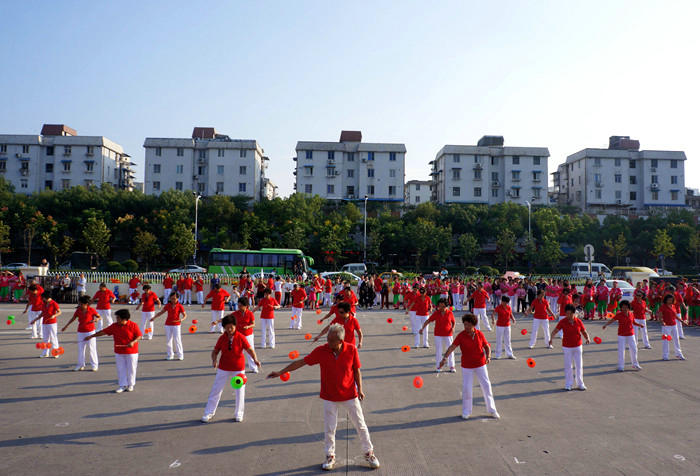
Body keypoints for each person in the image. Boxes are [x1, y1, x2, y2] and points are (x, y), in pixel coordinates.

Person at [267, 324, 380, 471]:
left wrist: (360, 389)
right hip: (329, 396)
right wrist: (281, 372)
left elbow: (356, 370)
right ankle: (330, 455)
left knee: (360, 425)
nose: (328, 342)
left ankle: (369, 453)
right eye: (327, 339)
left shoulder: (351, 349)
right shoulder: (321, 351)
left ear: (340, 341)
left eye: (331, 340)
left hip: (349, 394)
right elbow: (301, 362)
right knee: (329, 428)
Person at [201, 314, 262, 423]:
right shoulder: (222, 338)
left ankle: (239, 413)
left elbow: (249, 349)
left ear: (235, 326)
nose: (229, 329)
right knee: (216, 390)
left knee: (240, 391)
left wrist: (255, 359)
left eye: (231, 327)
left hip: (238, 368)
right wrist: (214, 360)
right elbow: (215, 351)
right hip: (223, 367)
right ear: (224, 327)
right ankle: (209, 412)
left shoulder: (241, 337)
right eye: (227, 327)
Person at [439, 313, 500, 420]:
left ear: (473, 324)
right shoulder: (461, 335)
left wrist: (488, 357)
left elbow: (487, 346)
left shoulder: (479, 334)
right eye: (465, 324)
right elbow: (452, 347)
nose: (466, 327)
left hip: (480, 364)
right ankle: (466, 411)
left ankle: (492, 410)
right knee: (467, 389)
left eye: (468, 324)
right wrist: (444, 358)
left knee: (486, 386)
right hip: (467, 366)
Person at [85, 309, 141, 393]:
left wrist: (133, 342)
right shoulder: (114, 326)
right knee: (120, 369)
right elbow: (104, 332)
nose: (116, 319)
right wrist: (92, 336)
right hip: (119, 351)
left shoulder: (133, 325)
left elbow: (139, 336)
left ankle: (131, 385)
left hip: (131, 352)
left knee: (131, 369)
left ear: (124, 319)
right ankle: (122, 385)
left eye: (118, 318)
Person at [549, 304, 590, 391]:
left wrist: (587, 338)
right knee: (568, 366)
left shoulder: (578, 321)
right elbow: (555, 331)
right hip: (567, 347)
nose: (568, 315)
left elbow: (583, 331)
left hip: (578, 346)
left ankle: (580, 384)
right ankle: (568, 384)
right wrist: (551, 339)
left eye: (570, 313)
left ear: (574, 313)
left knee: (579, 366)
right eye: (567, 313)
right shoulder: (563, 321)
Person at [602, 300, 644, 371]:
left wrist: (640, 325)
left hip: (631, 334)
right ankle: (621, 366)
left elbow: (633, 322)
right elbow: (612, 320)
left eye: (626, 307)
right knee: (621, 350)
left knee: (634, 349)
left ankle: (635, 364)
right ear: (621, 308)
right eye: (623, 307)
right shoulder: (619, 314)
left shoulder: (631, 314)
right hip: (621, 335)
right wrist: (606, 325)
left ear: (629, 307)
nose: (624, 309)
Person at [61, 295, 100, 371]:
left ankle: (94, 365)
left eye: (81, 304)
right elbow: (73, 318)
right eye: (79, 303)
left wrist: (96, 320)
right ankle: (80, 365)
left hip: (90, 332)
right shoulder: (78, 310)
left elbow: (99, 316)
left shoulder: (91, 310)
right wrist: (66, 326)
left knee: (92, 349)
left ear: (86, 304)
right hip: (81, 332)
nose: (80, 305)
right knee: (81, 349)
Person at [419, 298, 456, 372]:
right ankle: (439, 366)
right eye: (440, 306)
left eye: (443, 306)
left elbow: (453, 322)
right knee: (439, 350)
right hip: (438, 334)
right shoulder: (436, 313)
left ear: (446, 306)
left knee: (450, 350)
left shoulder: (450, 313)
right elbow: (428, 320)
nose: (441, 308)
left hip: (448, 334)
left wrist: (453, 328)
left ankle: (451, 366)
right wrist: (422, 328)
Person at [224, 297, 258, 373]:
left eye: (240, 305)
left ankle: (253, 367)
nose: (239, 307)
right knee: (238, 352)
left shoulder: (250, 314)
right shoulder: (235, 313)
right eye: (238, 305)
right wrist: (217, 321)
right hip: (238, 336)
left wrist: (248, 327)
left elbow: (253, 324)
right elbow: (227, 318)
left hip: (248, 335)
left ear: (246, 306)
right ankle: (237, 367)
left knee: (250, 351)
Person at [151, 293, 187, 360]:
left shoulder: (180, 306)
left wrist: (181, 319)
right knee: (168, 340)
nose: (173, 300)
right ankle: (170, 355)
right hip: (168, 324)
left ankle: (180, 355)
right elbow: (161, 312)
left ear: (177, 298)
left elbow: (185, 315)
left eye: (174, 298)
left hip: (176, 325)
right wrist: (154, 317)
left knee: (177, 340)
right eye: (172, 298)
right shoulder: (168, 305)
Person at [657, 294, 686, 361]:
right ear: (666, 300)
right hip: (666, 326)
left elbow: (675, 316)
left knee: (676, 340)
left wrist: (682, 321)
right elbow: (660, 316)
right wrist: (662, 322)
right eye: (669, 300)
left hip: (674, 325)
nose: (670, 301)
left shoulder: (673, 306)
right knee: (666, 340)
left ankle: (679, 354)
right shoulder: (662, 307)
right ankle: (665, 355)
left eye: (671, 300)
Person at [492, 295, 517, 359]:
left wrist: (513, 319)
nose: (505, 303)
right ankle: (498, 354)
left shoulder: (508, 307)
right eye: (504, 302)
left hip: (507, 325)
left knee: (508, 340)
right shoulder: (498, 307)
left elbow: (510, 314)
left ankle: (509, 354)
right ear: (502, 301)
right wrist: (493, 320)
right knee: (499, 340)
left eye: (506, 302)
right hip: (500, 326)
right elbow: (493, 314)